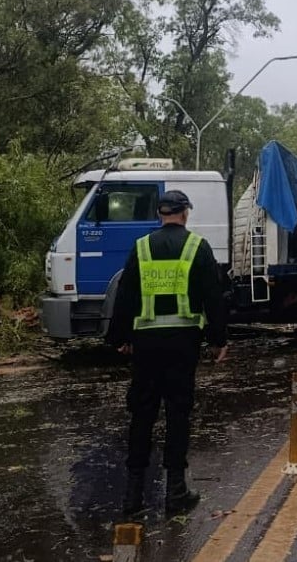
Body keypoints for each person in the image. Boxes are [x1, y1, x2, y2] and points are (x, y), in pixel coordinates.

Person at [106, 189, 227, 517]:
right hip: (182, 344)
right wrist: (218, 340)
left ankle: (132, 497)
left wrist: (119, 337)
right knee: (177, 414)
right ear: (185, 213)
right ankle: (176, 492)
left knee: (142, 414)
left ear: (161, 214)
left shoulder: (142, 247)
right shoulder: (197, 247)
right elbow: (213, 296)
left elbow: (126, 294)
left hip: (146, 344)